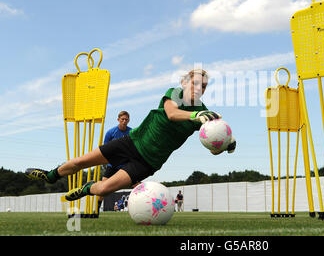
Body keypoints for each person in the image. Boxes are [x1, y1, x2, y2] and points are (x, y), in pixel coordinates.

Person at [25, 69, 236, 202]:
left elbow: (212, 144)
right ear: (185, 83)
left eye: (204, 86)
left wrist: (225, 143)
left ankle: (88, 188)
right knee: (81, 161)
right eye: (196, 84)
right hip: (132, 142)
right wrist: (196, 114)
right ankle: (51, 176)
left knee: (104, 189)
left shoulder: (204, 113)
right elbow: (172, 114)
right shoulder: (175, 94)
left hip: (148, 162)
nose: (199, 89)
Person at [97, 111, 133, 212]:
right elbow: (105, 149)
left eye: (126, 119)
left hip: (125, 164)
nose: (124, 121)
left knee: (136, 184)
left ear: (129, 120)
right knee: (102, 188)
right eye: (122, 119)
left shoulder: (132, 132)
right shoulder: (110, 132)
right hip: (112, 164)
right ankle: (96, 209)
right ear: (118, 120)